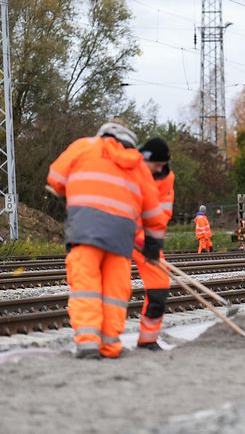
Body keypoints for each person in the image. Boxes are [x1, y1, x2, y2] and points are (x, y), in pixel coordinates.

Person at [47, 122, 168, 360]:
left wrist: (71, 191)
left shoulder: (83, 146)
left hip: (84, 232)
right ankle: (110, 346)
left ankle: (88, 345)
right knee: (114, 293)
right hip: (121, 239)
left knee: (86, 289)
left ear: (104, 134)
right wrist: (154, 246)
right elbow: (154, 214)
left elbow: (55, 179)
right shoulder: (138, 165)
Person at [132, 137, 175, 351]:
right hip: (119, 234)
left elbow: (162, 213)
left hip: (146, 239)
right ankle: (102, 342)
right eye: (156, 164)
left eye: (163, 164)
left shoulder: (167, 178)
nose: (160, 168)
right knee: (114, 289)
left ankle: (148, 340)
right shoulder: (128, 169)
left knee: (160, 286)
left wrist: (152, 241)